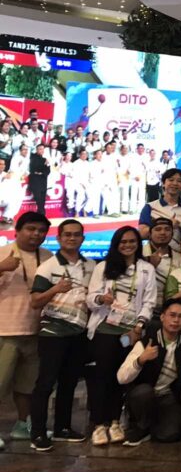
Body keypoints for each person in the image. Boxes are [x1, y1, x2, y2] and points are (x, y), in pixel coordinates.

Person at [85, 226, 158, 446]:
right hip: (105, 329)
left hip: (130, 333)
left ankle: (115, 421)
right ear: (116, 244)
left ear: (138, 243)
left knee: (121, 376)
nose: (127, 245)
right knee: (102, 377)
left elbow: (149, 301)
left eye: (132, 241)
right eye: (123, 242)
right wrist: (100, 300)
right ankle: (99, 424)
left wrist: (138, 328)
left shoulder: (146, 269)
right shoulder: (103, 267)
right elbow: (90, 297)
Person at [28, 219, 93, 451]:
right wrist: (55, 289)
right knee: (45, 384)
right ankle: (37, 432)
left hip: (78, 333)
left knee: (69, 383)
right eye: (67, 235)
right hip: (52, 333)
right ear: (59, 238)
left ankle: (62, 428)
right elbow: (35, 301)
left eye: (76, 235)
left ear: (83, 239)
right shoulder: (48, 267)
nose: (72, 239)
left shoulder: (91, 266)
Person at [0, 212, 52, 448]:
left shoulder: (49, 256)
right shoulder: (3, 253)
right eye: (31, 229)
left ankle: (23, 425)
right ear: (17, 230)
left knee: (27, 385)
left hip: (36, 331)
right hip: (5, 330)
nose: (36, 234)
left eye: (41, 231)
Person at [117, 298, 181, 445]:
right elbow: (121, 377)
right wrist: (141, 359)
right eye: (172, 315)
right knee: (144, 392)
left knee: (169, 435)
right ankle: (140, 424)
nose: (176, 320)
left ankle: (154, 423)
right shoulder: (148, 341)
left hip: (167, 396)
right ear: (162, 317)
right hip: (145, 393)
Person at [138, 168, 181, 249]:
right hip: (152, 256)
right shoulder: (150, 207)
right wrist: (167, 225)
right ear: (163, 183)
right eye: (171, 180)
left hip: (177, 257)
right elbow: (142, 234)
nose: (175, 183)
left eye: (179, 181)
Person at [142, 217, 181, 308]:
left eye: (167, 229)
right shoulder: (139, 253)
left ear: (172, 234)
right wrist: (150, 266)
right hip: (139, 308)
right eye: (158, 229)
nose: (163, 233)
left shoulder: (179, 259)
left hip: (165, 310)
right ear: (150, 233)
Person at [27, 143, 49, 214]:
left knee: (43, 198)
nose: (42, 150)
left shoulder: (45, 159)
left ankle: (40, 212)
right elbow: (34, 167)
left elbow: (48, 170)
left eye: (43, 149)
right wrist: (43, 166)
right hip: (35, 180)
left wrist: (44, 169)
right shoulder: (32, 157)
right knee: (38, 198)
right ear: (36, 150)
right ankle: (42, 213)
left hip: (43, 180)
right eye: (40, 149)